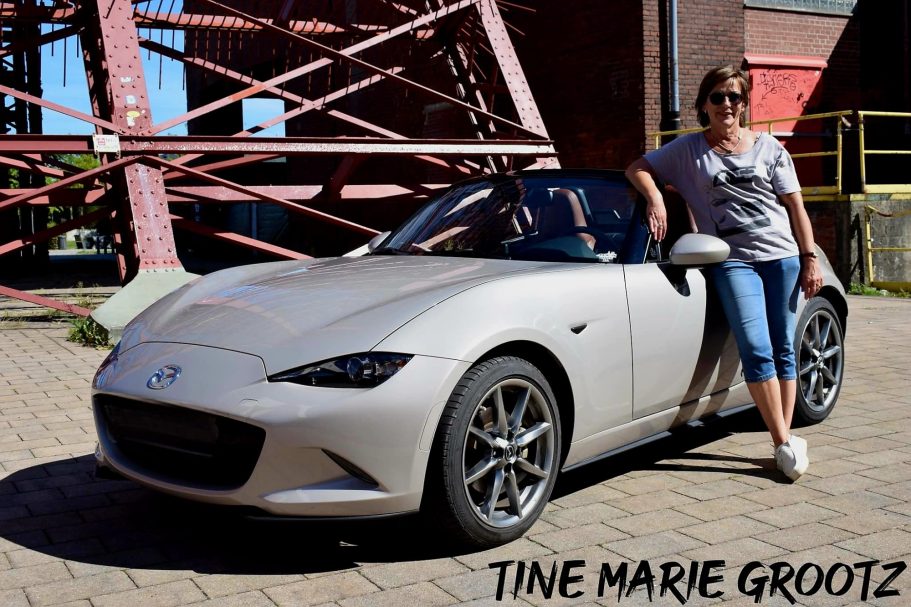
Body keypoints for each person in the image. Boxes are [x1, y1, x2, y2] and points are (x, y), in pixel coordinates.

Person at [625, 65, 823, 481]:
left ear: (744, 103)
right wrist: (656, 197)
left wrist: (810, 258)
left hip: (782, 257)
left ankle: (785, 440)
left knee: (783, 348)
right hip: (733, 261)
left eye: (735, 96)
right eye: (718, 97)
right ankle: (783, 443)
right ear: (704, 105)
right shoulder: (687, 151)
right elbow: (637, 167)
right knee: (756, 348)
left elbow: (796, 208)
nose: (727, 104)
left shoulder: (770, 148)